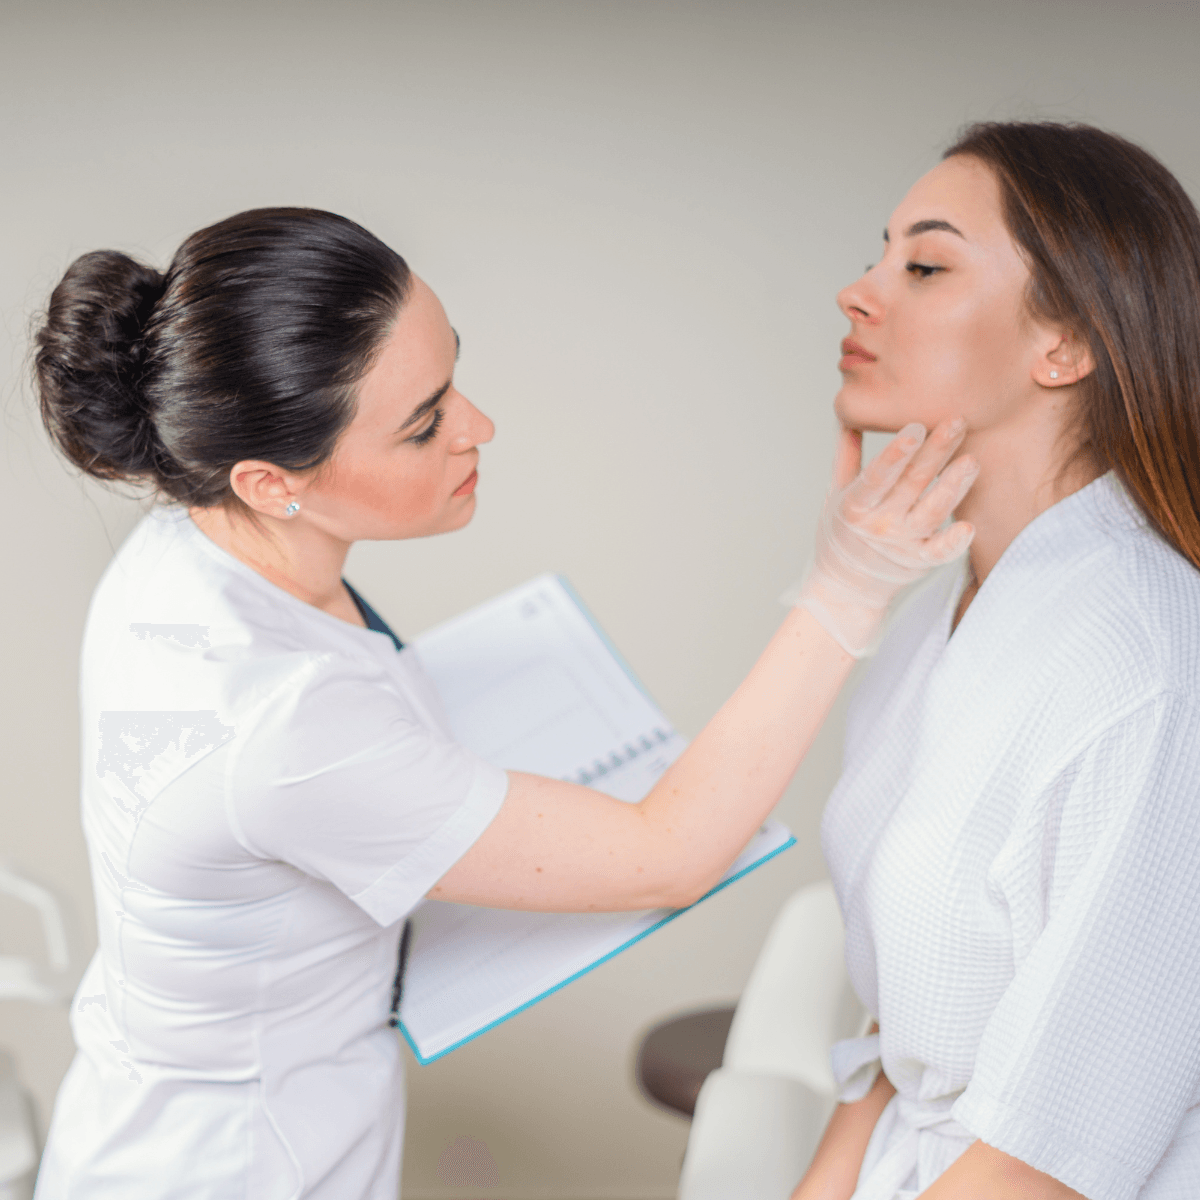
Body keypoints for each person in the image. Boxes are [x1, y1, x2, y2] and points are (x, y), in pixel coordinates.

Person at [28, 207, 976, 1199]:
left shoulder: (189, 539)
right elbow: (672, 854)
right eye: (425, 422)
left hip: (157, 1123)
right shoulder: (282, 724)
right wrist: (845, 588)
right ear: (271, 482)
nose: (477, 428)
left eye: (451, 380)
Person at [790, 122, 1200, 1200]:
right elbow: (898, 1032)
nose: (859, 291)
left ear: (1064, 343)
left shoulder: (1150, 661)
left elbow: (1052, 1153)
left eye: (923, 266)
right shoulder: (940, 613)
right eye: (881, 255)